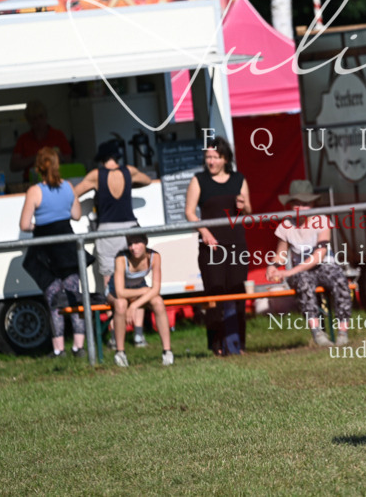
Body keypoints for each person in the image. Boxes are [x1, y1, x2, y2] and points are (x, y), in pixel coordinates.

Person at [73, 140, 153, 345]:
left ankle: (113, 334)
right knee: (136, 279)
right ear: (117, 157)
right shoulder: (130, 171)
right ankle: (138, 333)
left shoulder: (95, 176)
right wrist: (129, 183)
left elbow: (74, 193)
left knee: (110, 286)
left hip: (107, 231)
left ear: (101, 159)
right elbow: (147, 180)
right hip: (131, 229)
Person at [185, 136, 251, 356]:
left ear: (225, 159)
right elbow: (190, 212)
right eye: (208, 157)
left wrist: (244, 206)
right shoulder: (199, 180)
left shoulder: (238, 179)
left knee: (236, 291)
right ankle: (217, 345)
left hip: (236, 244)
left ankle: (238, 344)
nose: (211, 161)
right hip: (211, 247)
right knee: (215, 294)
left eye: (215, 157)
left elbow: (249, 211)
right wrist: (204, 231)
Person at [19, 147, 86, 357]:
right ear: (58, 165)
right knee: (74, 297)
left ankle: (58, 350)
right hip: (67, 248)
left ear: (38, 168)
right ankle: (79, 347)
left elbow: (24, 224)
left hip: (45, 252)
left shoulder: (34, 191)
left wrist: (39, 225)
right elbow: (76, 215)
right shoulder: (68, 187)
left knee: (53, 299)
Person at [266, 181, 352, 346]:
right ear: (290, 205)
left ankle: (343, 333)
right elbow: (280, 255)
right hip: (302, 271)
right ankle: (317, 334)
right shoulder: (286, 225)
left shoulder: (323, 220)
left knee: (340, 280)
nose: (301, 208)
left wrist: (288, 272)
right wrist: (273, 267)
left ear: (313, 204)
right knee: (303, 282)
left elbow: (320, 255)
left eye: (305, 204)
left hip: (324, 265)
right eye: (297, 203)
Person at [109, 234, 174, 367]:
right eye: (130, 244)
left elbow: (156, 290)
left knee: (158, 302)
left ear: (145, 242)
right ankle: (120, 353)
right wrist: (144, 291)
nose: (133, 248)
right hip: (114, 292)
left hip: (138, 290)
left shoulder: (155, 256)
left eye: (137, 243)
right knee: (121, 304)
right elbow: (120, 292)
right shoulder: (121, 258)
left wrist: (133, 306)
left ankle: (167, 351)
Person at [10, 100, 73, 183]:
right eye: (34, 118)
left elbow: (69, 162)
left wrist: (57, 157)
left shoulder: (58, 135)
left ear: (46, 117)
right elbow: (13, 166)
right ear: (29, 121)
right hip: (32, 182)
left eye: (41, 116)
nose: (38, 121)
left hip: (56, 180)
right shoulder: (23, 139)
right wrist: (37, 157)